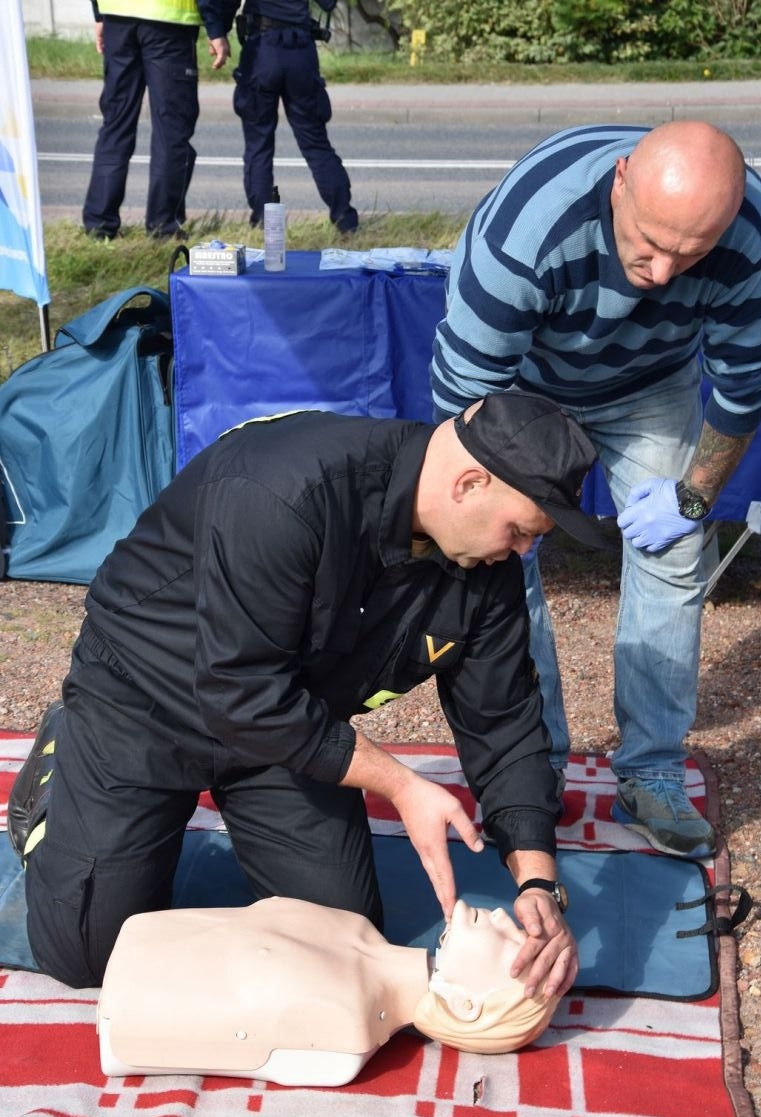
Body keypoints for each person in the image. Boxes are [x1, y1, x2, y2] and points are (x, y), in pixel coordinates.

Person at [9, 394, 606, 996]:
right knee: (92, 957)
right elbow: (238, 691)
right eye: (520, 530)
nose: (523, 551)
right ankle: (58, 777)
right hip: (143, 702)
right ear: (469, 484)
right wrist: (400, 784)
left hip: (289, 727)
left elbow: (502, 722)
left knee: (340, 946)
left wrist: (537, 882)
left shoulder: (487, 568)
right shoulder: (284, 489)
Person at [430, 120, 761, 861]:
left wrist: (692, 499)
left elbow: (745, 388)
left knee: (675, 555)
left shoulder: (751, 237)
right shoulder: (525, 236)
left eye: (690, 256)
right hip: (521, 389)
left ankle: (652, 772)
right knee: (502, 564)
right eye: (649, 243)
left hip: (652, 383)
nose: (661, 273)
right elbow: (464, 403)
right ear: (620, 181)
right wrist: (492, 514)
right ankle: (532, 767)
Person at [97, 897, 559, 1084]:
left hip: (130, 1004)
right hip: (145, 935)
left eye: (512, 941)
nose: (505, 917)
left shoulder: (346, 1023)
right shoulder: (360, 928)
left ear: (465, 1005)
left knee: (80, 941)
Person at [200, 0, 358, 232]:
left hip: (261, 51)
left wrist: (218, 32)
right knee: (316, 143)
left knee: (258, 144)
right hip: (301, 52)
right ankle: (345, 220)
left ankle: (264, 223)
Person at [83, 0, 232, 240]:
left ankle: (99, 226)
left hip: (117, 17)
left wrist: (99, 14)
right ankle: (163, 227)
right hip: (169, 22)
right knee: (171, 129)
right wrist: (217, 29)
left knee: (116, 123)